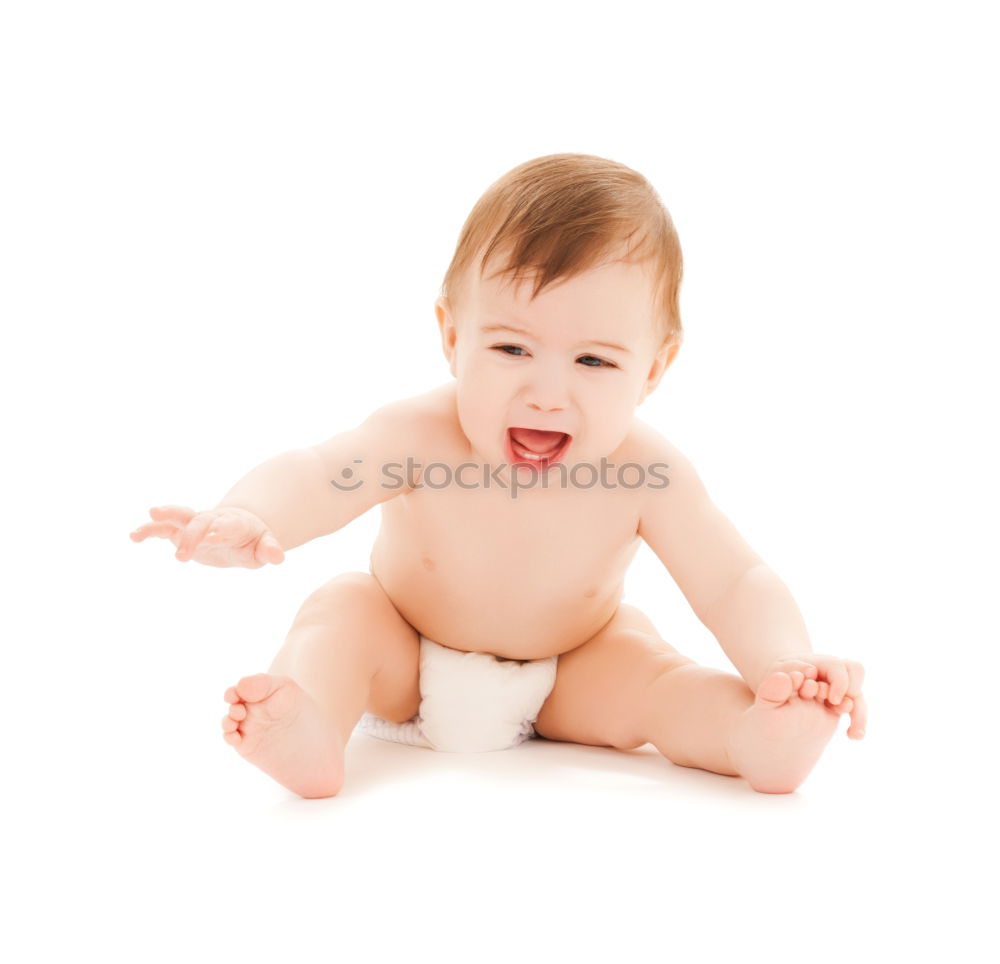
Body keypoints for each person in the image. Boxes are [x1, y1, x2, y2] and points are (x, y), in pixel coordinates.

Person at [131, 152, 866, 798]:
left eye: (594, 361)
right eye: (512, 349)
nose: (547, 391)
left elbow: (734, 581)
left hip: (574, 665)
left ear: (655, 368)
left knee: (655, 681)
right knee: (339, 613)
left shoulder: (648, 473)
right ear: (453, 336)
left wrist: (787, 660)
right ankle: (313, 729)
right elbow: (322, 473)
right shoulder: (417, 434)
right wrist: (251, 514)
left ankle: (757, 736)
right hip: (405, 656)